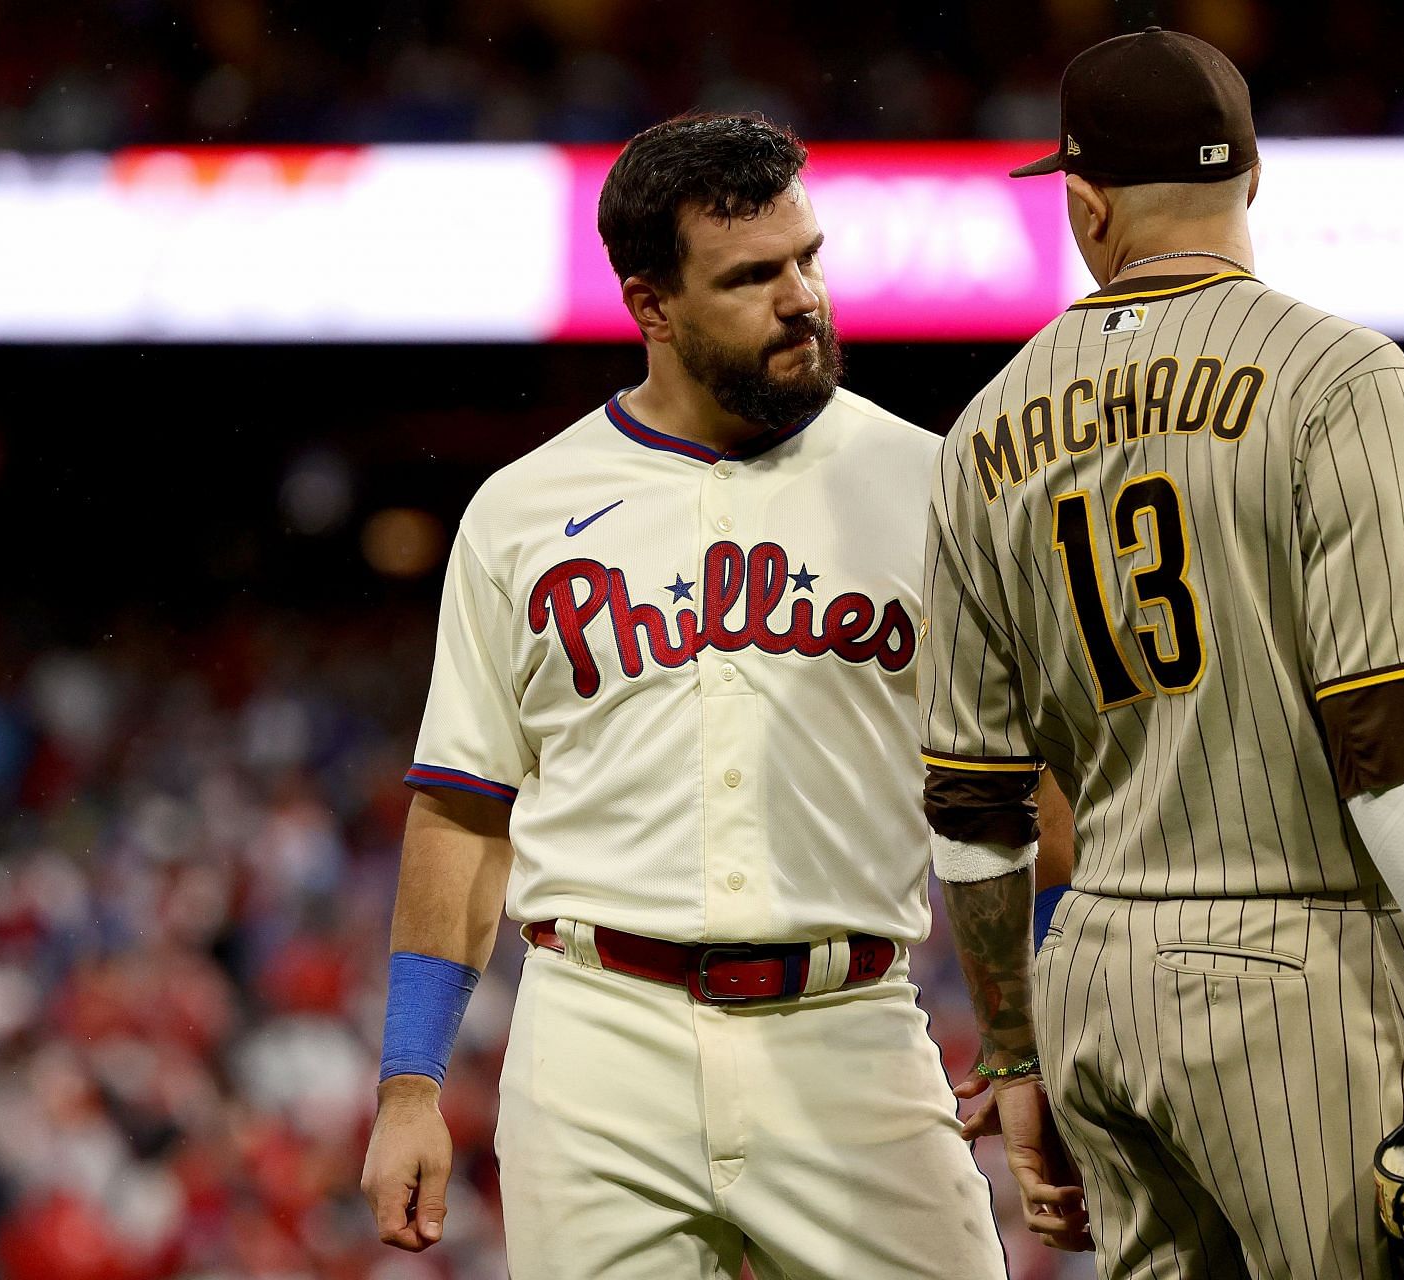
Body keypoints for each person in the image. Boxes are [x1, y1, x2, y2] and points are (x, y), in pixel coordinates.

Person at [917, 28, 1404, 1278]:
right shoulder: (1340, 374)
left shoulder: (982, 430)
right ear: (1251, 182)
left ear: (1085, 205)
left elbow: (969, 799)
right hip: (1300, 975)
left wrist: (1014, 1050)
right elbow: (1387, 724)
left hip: (1094, 971)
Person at [359, 113, 1008, 1280]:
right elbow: (463, 809)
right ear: (651, 305)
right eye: (752, 275)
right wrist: (412, 1082)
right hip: (599, 1040)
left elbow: (1014, 788)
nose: (800, 296)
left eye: (808, 257)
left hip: (850, 1025)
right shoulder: (522, 508)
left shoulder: (933, 484)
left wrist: (1024, 1041)